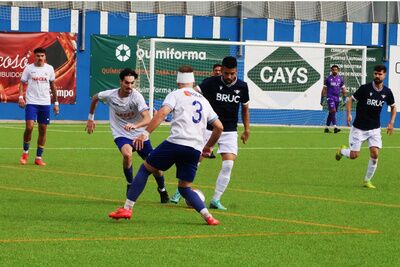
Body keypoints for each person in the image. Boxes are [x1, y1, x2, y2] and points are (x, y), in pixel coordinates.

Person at [108, 65, 223, 225]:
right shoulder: (203, 100)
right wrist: (208, 147)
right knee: (185, 188)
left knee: (145, 168)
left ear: (178, 81)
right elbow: (219, 127)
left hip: (176, 143)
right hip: (195, 149)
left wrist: (145, 133)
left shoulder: (176, 94)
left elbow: (161, 113)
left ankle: (127, 208)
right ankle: (208, 217)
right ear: (193, 81)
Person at [170, 56, 250, 211]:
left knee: (228, 164)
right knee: (195, 160)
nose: (228, 77)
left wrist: (247, 129)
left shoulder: (243, 86)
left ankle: (216, 200)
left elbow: (245, 109)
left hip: (230, 130)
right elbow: (190, 93)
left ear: (236, 71)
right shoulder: (210, 82)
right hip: (208, 128)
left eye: (232, 74)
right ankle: (181, 190)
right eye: (226, 73)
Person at [85, 68, 169, 203]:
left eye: (132, 83)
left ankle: (162, 189)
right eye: (127, 83)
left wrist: (135, 126)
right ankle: (130, 183)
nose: (129, 86)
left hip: (139, 135)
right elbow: (95, 98)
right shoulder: (110, 95)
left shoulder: (137, 97)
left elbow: (148, 118)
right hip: (121, 133)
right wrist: (90, 118)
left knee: (156, 167)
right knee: (127, 154)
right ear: (121, 82)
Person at [335, 64, 396, 189]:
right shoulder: (365, 88)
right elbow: (350, 100)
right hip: (359, 128)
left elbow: (393, 107)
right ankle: (342, 151)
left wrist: (391, 122)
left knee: (375, 154)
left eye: (380, 74)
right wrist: (349, 114)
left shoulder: (387, 92)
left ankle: (367, 180)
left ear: (384, 75)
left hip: (374, 129)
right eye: (375, 74)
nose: (377, 76)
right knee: (354, 156)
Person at [18, 47, 59, 166]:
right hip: (31, 102)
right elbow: (21, 83)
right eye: (37, 56)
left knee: (43, 129)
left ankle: (38, 157)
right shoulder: (29, 68)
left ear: (45, 57)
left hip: (45, 103)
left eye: (42, 56)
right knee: (29, 127)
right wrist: (21, 97)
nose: (40, 58)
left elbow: (53, 86)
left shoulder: (49, 69)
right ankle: (25, 153)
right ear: (34, 56)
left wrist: (56, 103)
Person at [320, 65, 346, 133]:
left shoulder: (340, 79)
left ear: (338, 70)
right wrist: (322, 99)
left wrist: (344, 99)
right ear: (331, 70)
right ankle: (335, 127)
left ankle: (326, 128)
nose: (334, 71)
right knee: (333, 111)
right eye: (333, 69)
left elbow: (343, 90)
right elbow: (324, 89)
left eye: (336, 69)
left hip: (336, 98)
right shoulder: (328, 79)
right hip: (330, 97)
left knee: (331, 113)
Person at [208, 63, 223, 159]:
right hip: (208, 111)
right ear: (213, 71)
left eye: (219, 70)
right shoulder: (208, 82)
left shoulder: (224, 84)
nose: (217, 72)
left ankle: (210, 149)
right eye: (216, 70)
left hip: (219, 112)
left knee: (217, 129)